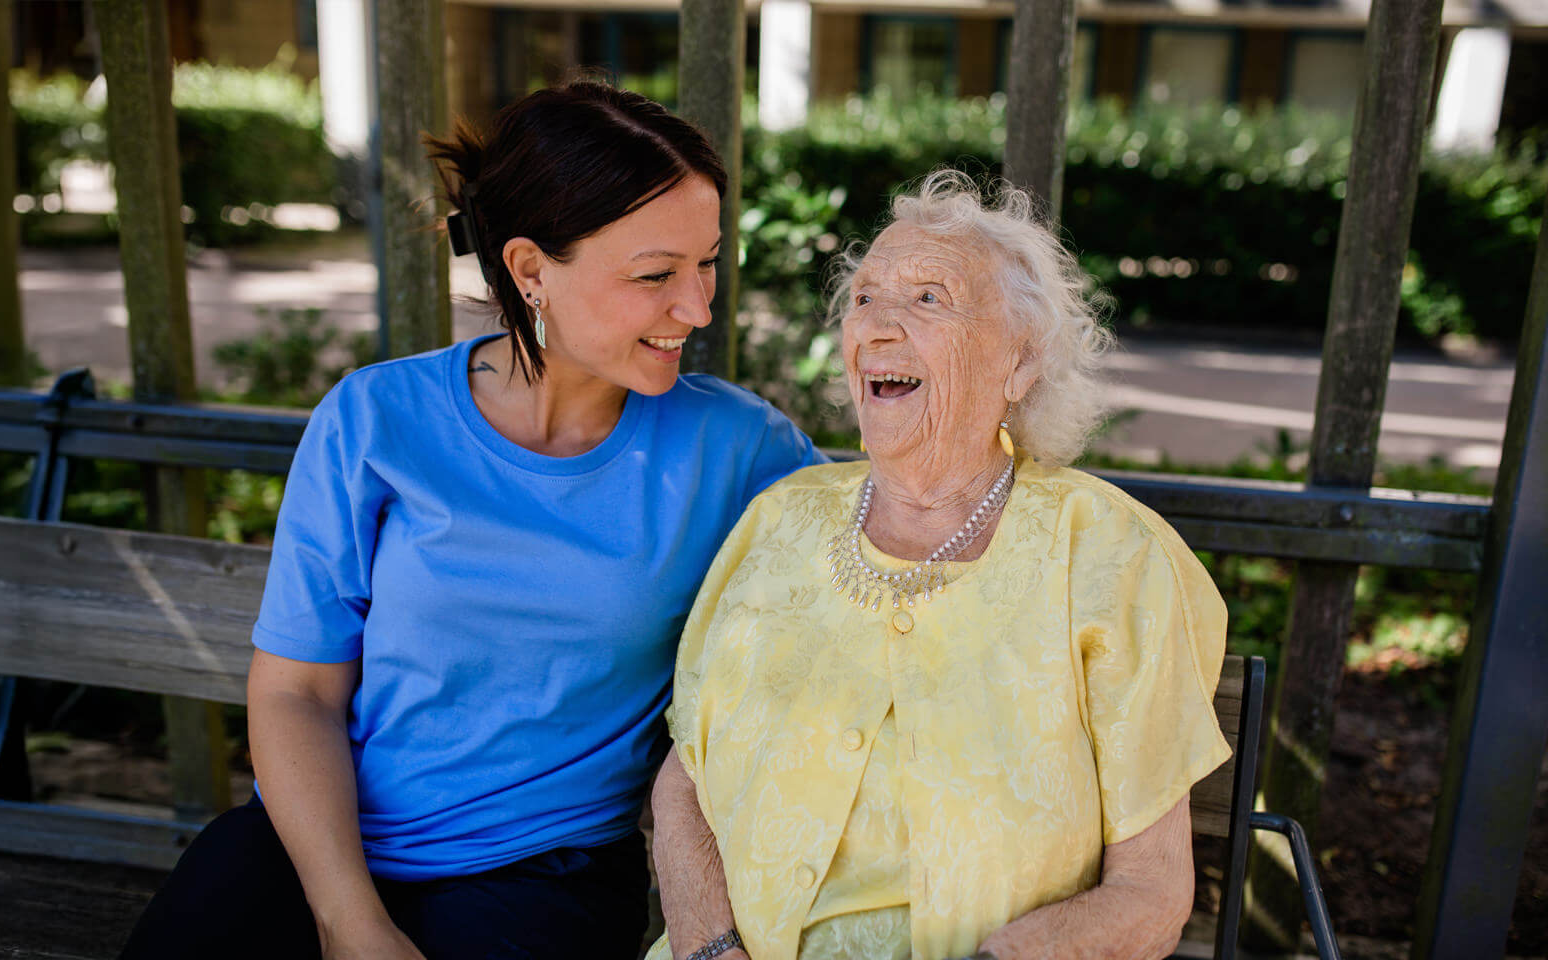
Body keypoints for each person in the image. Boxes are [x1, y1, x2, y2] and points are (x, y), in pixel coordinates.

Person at [117, 81, 823, 960]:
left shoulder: (738, 447)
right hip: (313, 851)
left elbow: (903, 541)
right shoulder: (377, 418)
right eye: (656, 275)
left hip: (543, 877)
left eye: (708, 262)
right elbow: (297, 692)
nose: (699, 307)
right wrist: (349, 919)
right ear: (531, 270)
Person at [647, 171, 1231, 960]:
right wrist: (713, 951)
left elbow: (1152, 896)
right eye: (863, 299)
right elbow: (685, 786)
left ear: (1021, 363)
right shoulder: (779, 523)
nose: (878, 326)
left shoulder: (1110, 556)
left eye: (929, 299)